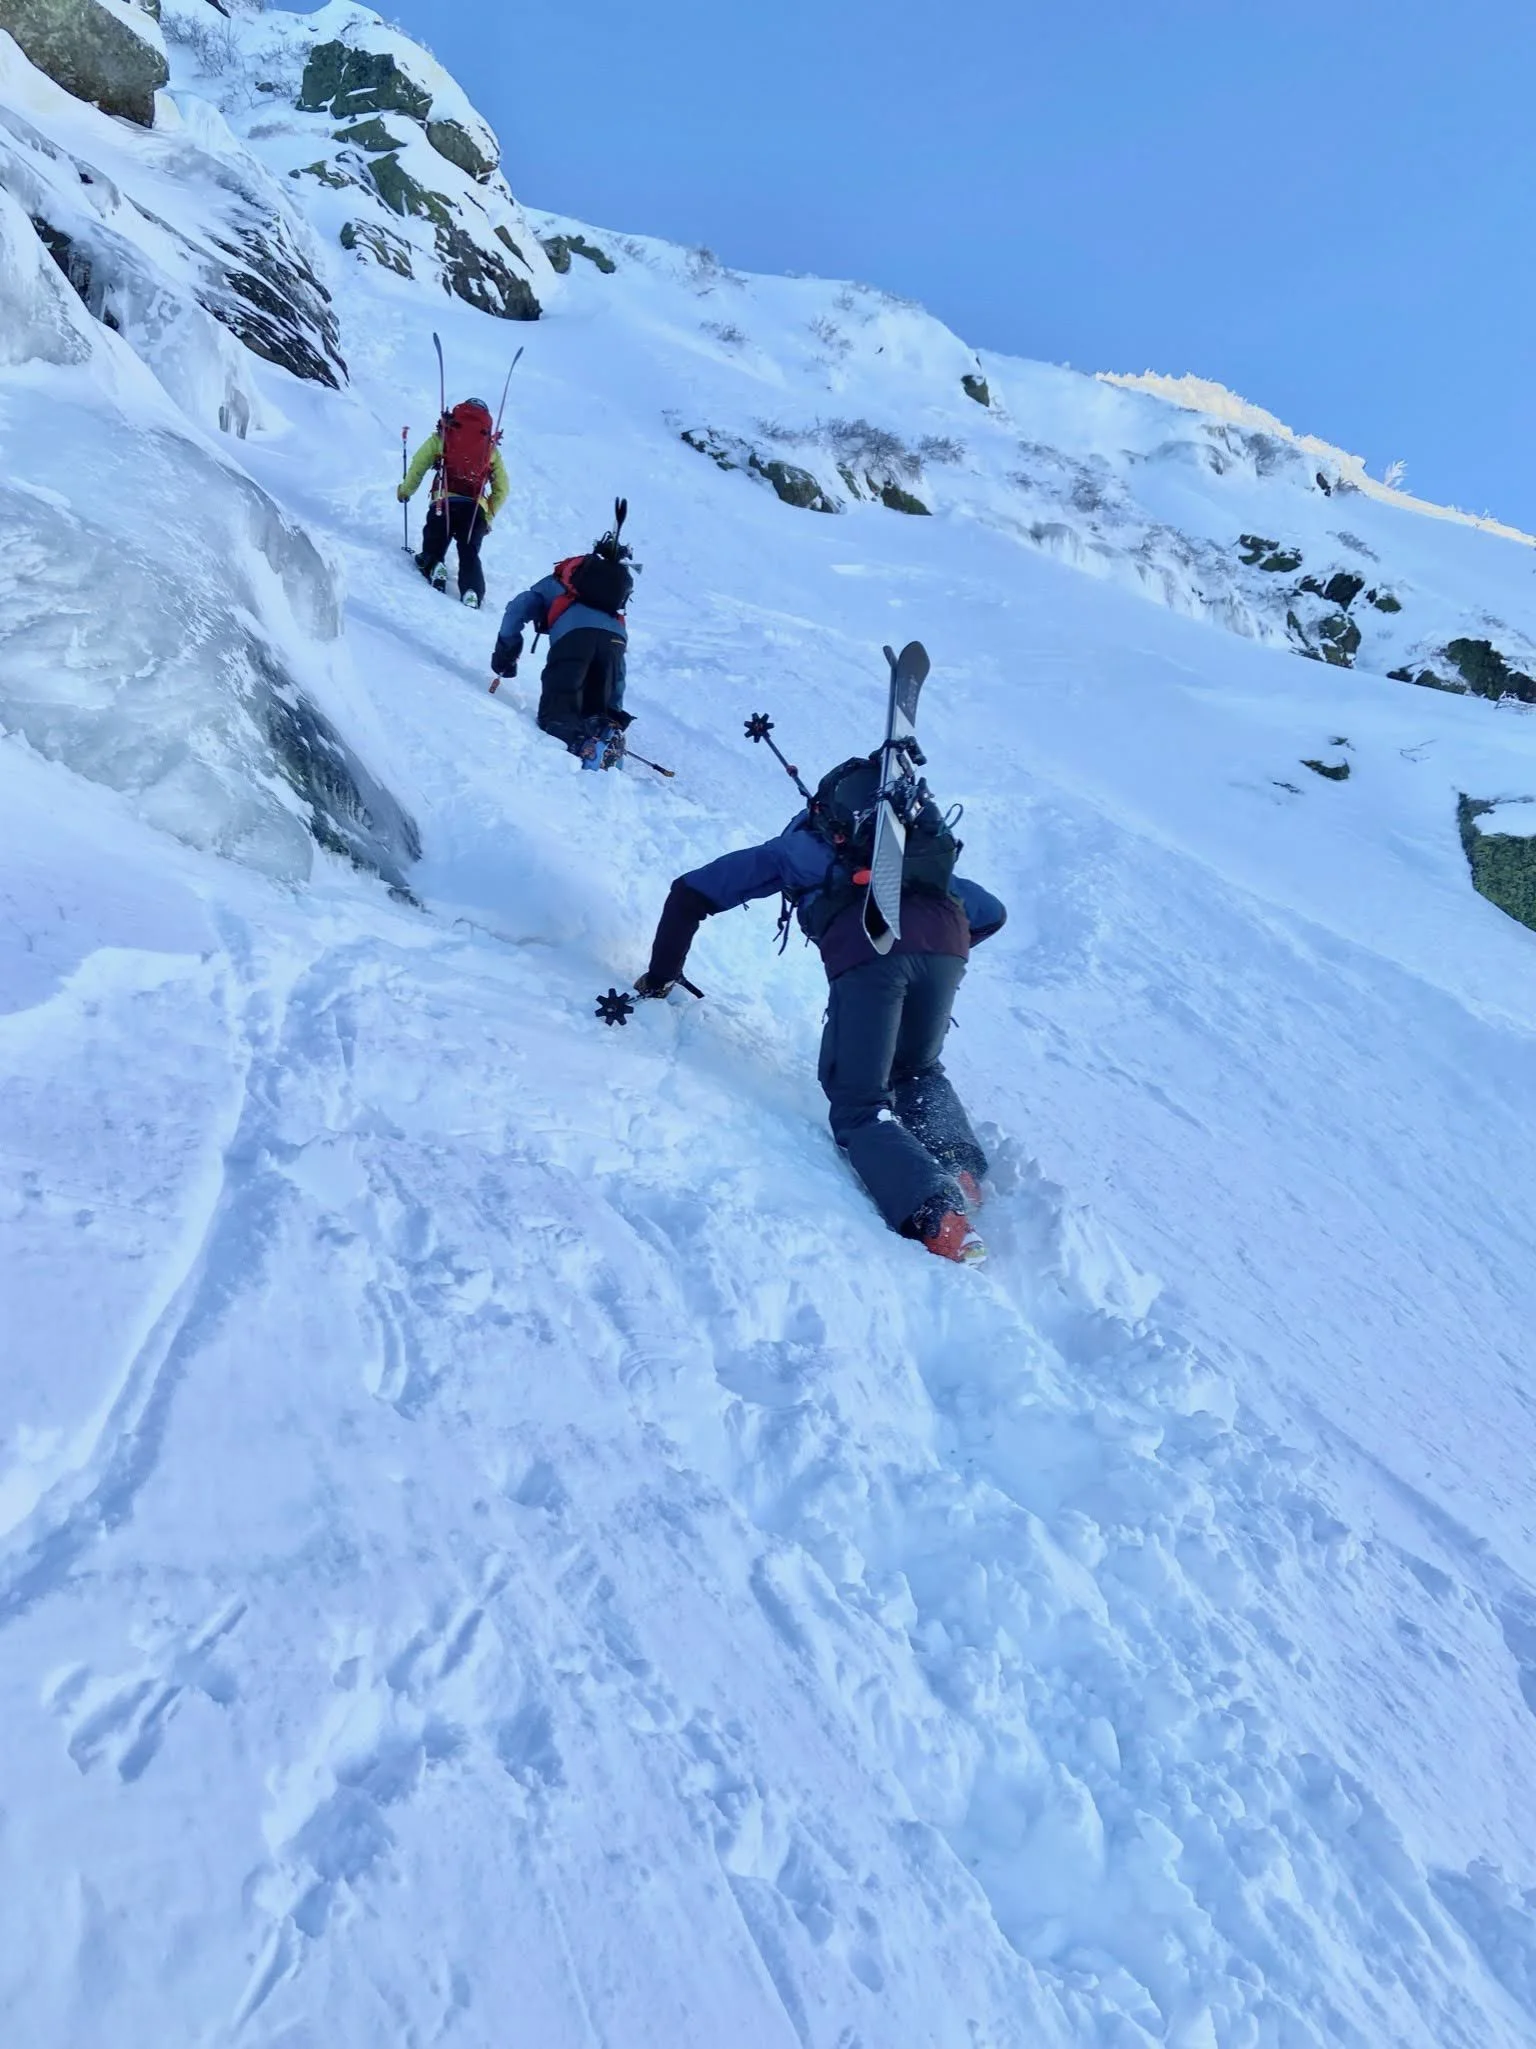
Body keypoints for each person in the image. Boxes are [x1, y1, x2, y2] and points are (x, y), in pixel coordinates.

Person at [635, 752, 1006, 1262]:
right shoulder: (917, 863)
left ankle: (938, 1214)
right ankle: (961, 1169)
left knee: (860, 1103)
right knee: (918, 1067)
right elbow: (992, 913)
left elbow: (689, 893)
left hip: (871, 956)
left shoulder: (798, 849)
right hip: (947, 947)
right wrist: (936, 954)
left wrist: (660, 978)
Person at [490, 508, 635, 765]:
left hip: (574, 637)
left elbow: (518, 608)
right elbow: (619, 673)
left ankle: (582, 746)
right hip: (615, 640)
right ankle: (607, 737)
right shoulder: (611, 605)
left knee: (557, 714)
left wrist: (506, 655)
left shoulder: (557, 583)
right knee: (596, 711)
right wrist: (613, 708)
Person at [398, 398, 509, 609]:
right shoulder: (490, 449)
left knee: (436, 540)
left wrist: (405, 491)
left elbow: (418, 466)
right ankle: (471, 591)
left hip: (444, 502)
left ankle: (434, 564)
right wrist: (488, 517)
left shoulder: (443, 436)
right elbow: (503, 489)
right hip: (475, 509)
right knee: (469, 551)